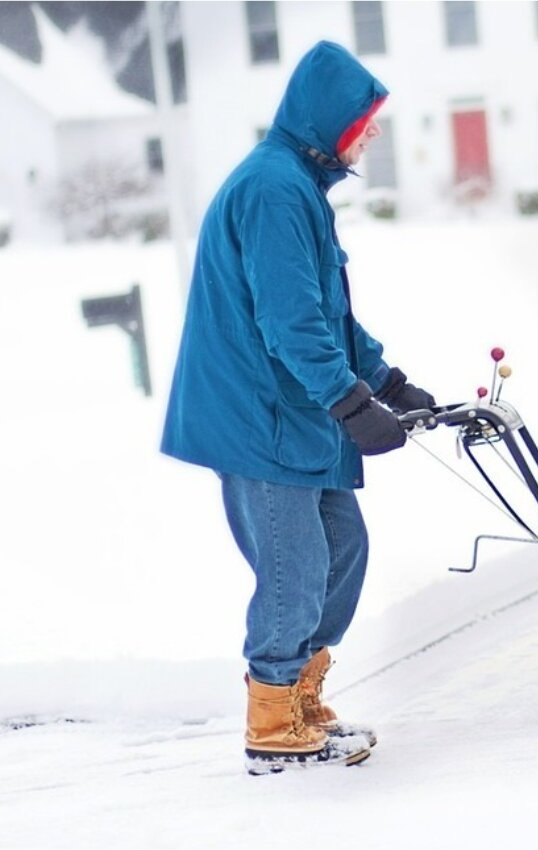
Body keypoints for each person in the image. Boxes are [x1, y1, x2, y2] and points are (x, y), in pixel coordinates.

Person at [161, 41, 434, 775]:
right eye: (364, 120)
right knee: (296, 566)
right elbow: (291, 323)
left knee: (342, 549)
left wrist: (387, 379)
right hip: (258, 414)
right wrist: (351, 402)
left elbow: (326, 311)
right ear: (327, 120)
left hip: (288, 405)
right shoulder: (275, 191)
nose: (372, 133)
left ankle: (300, 696)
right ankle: (274, 725)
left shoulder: (297, 185)